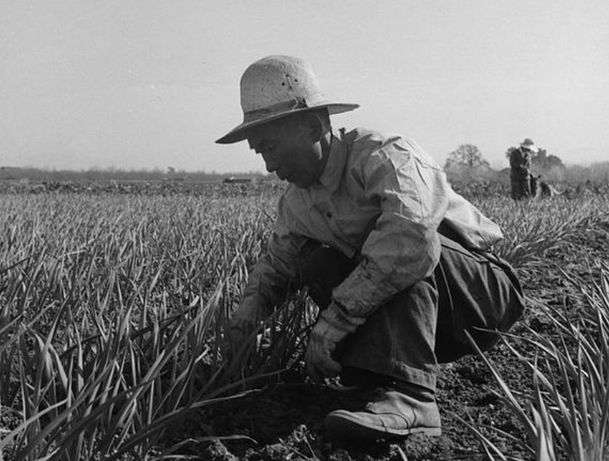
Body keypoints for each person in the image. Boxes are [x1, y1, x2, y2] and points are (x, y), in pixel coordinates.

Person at [216, 55, 525, 441]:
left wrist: (334, 323)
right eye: (260, 152)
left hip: (478, 300)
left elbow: (410, 240)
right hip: (422, 317)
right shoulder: (298, 201)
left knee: (399, 245)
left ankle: (414, 401)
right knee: (317, 261)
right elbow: (274, 269)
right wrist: (239, 333)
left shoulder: (386, 157)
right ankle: (374, 383)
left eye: (271, 147)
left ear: (314, 126)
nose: (268, 165)